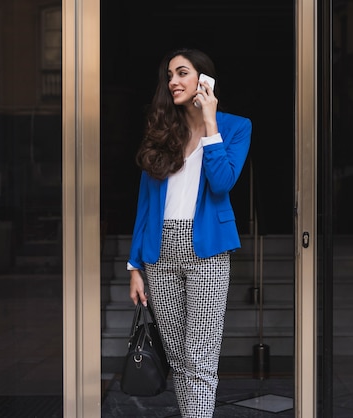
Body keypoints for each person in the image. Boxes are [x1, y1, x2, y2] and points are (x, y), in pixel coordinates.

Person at [127, 47, 252, 418]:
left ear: (204, 79)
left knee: (200, 358)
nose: (173, 81)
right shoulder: (164, 130)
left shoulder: (235, 126)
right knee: (179, 357)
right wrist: (135, 265)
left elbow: (222, 182)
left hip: (208, 252)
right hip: (160, 251)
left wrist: (210, 124)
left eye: (182, 72)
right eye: (169, 75)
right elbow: (145, 202)